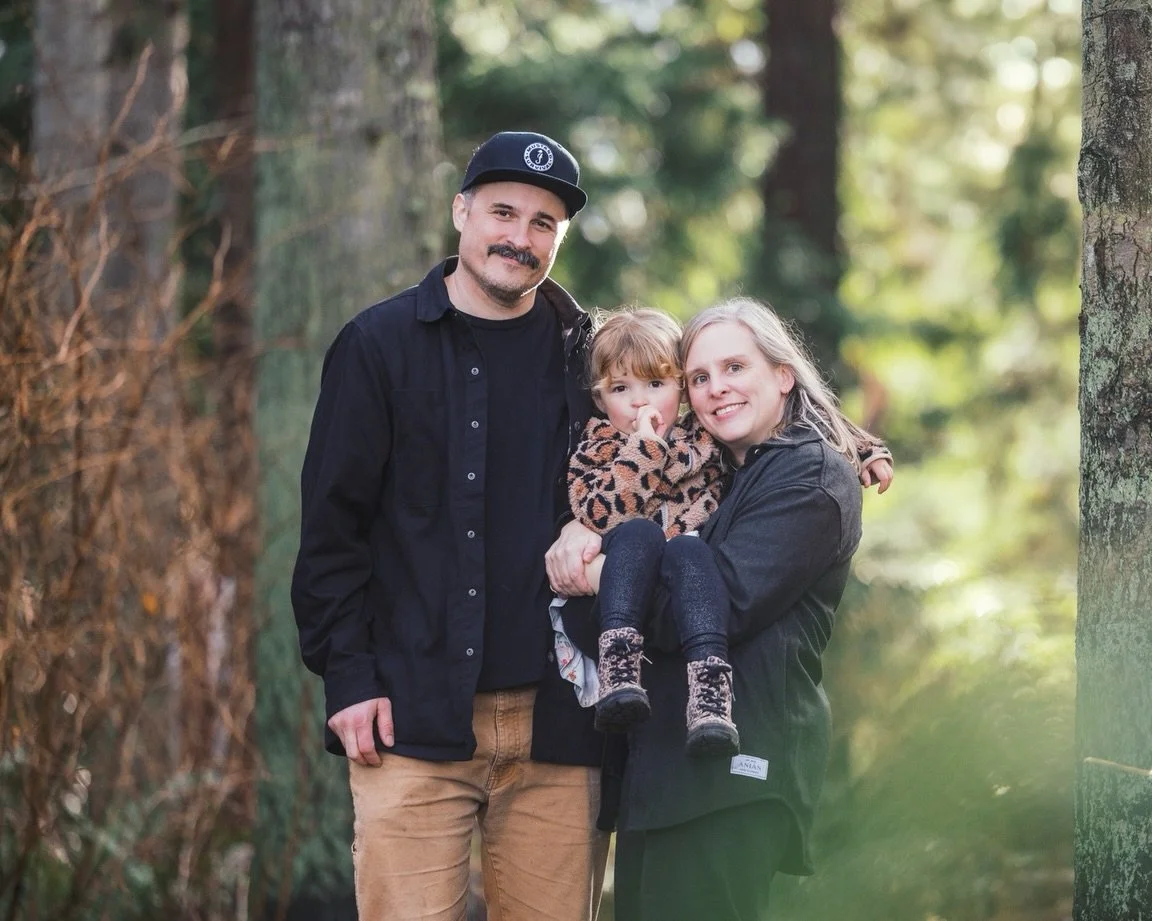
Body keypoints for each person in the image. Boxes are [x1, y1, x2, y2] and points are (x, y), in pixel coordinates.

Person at [290, 130, 611, 921]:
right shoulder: (377, 346)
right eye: (503, 212)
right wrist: (349, 678)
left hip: (560, 725)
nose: (520, 237)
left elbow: (688, 439)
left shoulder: (594, 357)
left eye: (543, 223)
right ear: (460, 211)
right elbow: (332, 531)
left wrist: (846, 444)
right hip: (411, 718)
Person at [547, 297, 892, 921]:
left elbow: (713, 608)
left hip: (733, 775)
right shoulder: (721, 468)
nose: (716, 388)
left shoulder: (808, 477)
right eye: (700, 376)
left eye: (735, 367)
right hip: (666, 772)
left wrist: (597, 576)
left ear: (782, 374)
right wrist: (583, 528)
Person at [565, 308, 892, 761]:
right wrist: (587, 514)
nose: (641, 402)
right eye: (701, 377)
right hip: (658, 731)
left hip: (750, 754)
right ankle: (620, 666)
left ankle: (709, 686)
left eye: (734, 367)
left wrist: (864, 447)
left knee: (687, 556)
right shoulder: (609, 446)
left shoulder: (750, 456)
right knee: (645, 539)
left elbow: (810, 422)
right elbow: (601, 509)